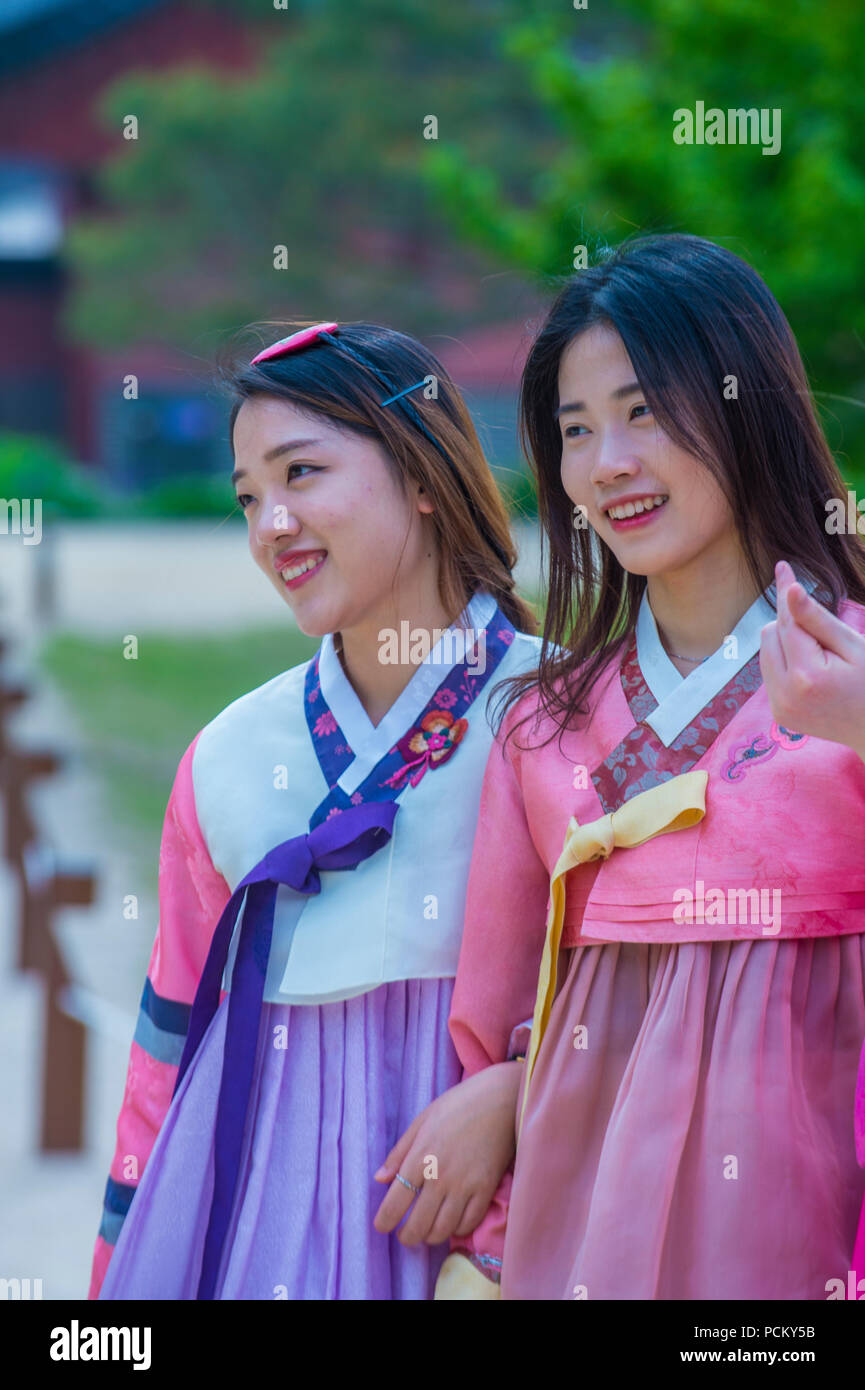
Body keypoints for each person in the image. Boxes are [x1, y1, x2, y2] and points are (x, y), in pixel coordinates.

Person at [433, 235, 865, 1299]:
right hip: (586, 1227)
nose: (606, 463)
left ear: (744, 403)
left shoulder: (851, 668)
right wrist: (500, 1098)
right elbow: (492, 1006)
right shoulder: (540, 723)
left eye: (643, 411)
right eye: (574, 431)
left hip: (806, 1229)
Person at [88, 320, 542, 1300]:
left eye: (302, 475)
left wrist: (520, 1093)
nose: (270, 525)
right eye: (249, 496)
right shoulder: (228, 759)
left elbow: (646, 1004)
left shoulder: (557, 719)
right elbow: (165, 1052)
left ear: (423, 476)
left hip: (504, 1224)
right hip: (262, 1211)